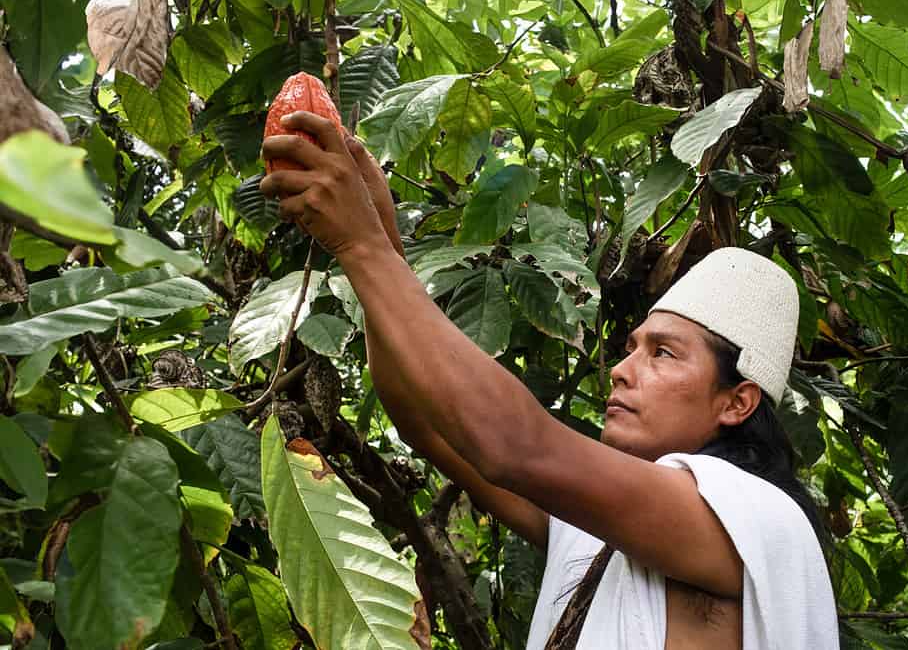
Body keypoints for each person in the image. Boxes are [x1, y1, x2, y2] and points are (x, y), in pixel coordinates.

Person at [260, 111, 840, 649]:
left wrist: (362, 245)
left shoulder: (752, 518)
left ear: (737, 403)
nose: (621, 368)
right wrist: (381, 239)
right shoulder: (594, 530)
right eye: (630, 347)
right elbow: (422, 420)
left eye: (663, 354)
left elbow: (514, 446)